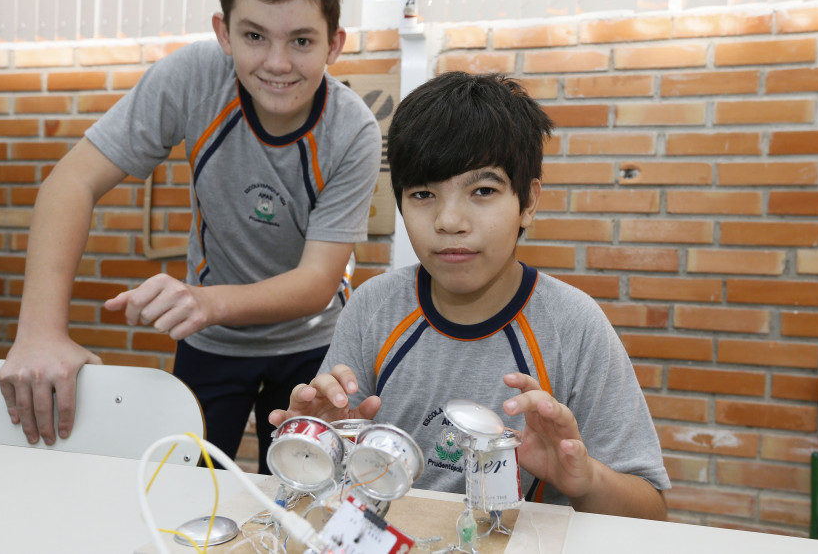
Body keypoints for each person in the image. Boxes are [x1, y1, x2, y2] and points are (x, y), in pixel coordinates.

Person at [0, 0, 381, 474]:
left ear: (334, 45)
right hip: (212, 341)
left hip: (312, 343)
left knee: (299, 491)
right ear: (224, 33)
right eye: (254, 36)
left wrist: (204, 302)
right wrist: (40, 331)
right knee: (182, 485)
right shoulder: (193, 76)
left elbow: (317, 281)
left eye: (301, 40)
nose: (278, 63)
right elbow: (71, 181)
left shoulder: (354, 129)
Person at [269, 71, 670, 517]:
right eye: (424, 194)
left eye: (482, 190)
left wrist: (585, 478)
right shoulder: (373, 308)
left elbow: (651, 515)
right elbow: (326, 490)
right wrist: (317, 446)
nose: (449, 221)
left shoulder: (573, 325)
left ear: (528, 202)